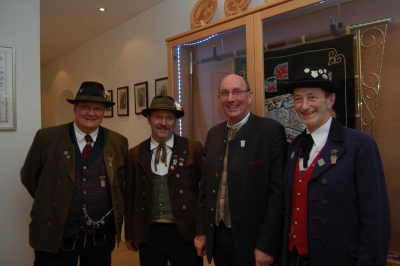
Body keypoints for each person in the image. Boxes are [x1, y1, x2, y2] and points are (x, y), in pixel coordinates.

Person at [280, 66, 391, 266]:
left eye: (312, 97)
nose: (304, 106)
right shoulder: (295, 146)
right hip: (294, 259)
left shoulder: (360, 146)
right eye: (298, 99)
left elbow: (375, 221)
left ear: (330, 100)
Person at [21, 81, 129, 265]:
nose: (91, 113)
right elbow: (30, 177)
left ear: (104, 112)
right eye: (85, 107)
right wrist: (54, 201)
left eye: (97, 108)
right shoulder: (46, 138)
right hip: (57, 234)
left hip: (100, 237)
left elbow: (121, 183)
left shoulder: (118, 142)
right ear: (75, 109)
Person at [195, 74, 287, 266]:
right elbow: (205, 189)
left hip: (254, 242)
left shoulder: (270, 131)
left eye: (237, 92)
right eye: (225, 93)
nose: (231, 99)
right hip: (219, 237)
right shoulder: (214, 134)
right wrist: (202, 231)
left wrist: (267, 245)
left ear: (250, 96)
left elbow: (278, 195)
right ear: (219, 98)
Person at [124, 95, 204, 266]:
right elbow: (129, 197)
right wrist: (130, 233)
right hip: (149, 234)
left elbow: (204, 193)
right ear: (149, 119)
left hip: (186, 232)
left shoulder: (193, 148)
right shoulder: (135, 153)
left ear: (175, 121)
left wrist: (203, 231)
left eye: (169, 118)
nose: (163, 123)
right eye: (158, 117)